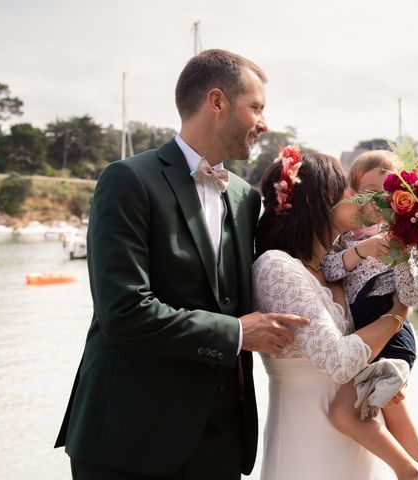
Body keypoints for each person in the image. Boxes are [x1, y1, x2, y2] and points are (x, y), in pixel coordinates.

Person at [54, 49, 309, 480]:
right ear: (217, 102)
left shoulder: (245, 197)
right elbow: (124, 312)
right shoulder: (128, 180)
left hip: (220, 442)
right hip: (129, 440)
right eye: (257, 107)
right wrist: (237, 333)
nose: (263, 123)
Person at [252, 149, 411, 480]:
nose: (361, 198)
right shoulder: (277, 267)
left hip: (360, 443)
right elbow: (338, 361)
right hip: (308, 448)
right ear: (316, 202)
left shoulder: (341, 267)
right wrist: (397, 315)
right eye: (349, 191)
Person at [322, 150, 418, 480]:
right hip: (365, 338)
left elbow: (414, 296)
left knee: (356, 412)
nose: (380, 198)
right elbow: (329, 271)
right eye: (370, 189)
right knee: (398, 423)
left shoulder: (406, 241)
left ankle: (412, 471)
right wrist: (361, 251)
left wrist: (402, 257)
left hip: (394, 340)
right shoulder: (344, 239)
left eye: (389, 190)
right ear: (354, 193)